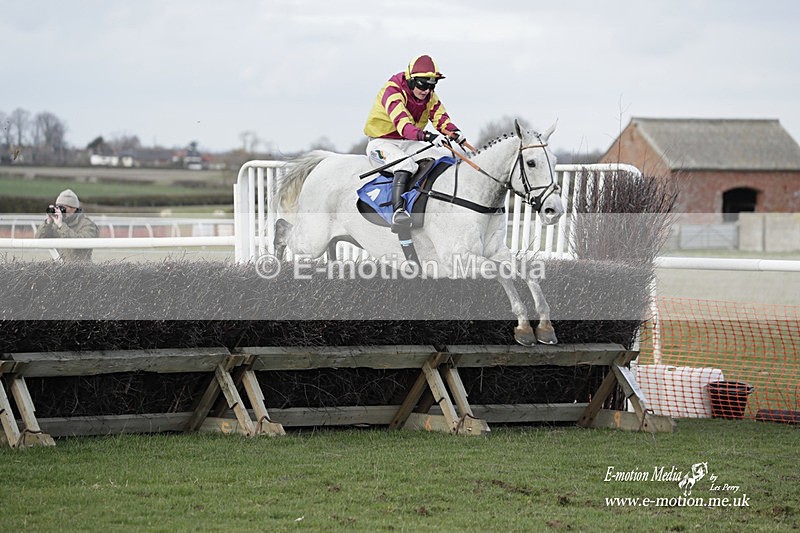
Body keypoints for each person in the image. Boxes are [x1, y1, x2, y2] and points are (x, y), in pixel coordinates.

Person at [364, 54, 469, 231]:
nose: (427, 90)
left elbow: (440, 117)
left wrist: (454, 132)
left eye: (431, 85)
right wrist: (429, 137)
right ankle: (398, 213)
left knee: (440, 158)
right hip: (381, 142)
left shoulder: (429, 95)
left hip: (408, 142)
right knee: (406, 165)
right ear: (411, 80)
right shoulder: (393, 90)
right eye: (422, 84)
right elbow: (403, 125)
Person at [36, 188, 98, 262]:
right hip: (60, 269)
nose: (61, 211)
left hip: (81, 269)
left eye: (64, 208)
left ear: (74, 208)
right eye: (59, 207)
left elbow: (80, 243)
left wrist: (61, 226)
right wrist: (48, 222)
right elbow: (39, 240)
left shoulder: (88, 224)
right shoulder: (56, 223)